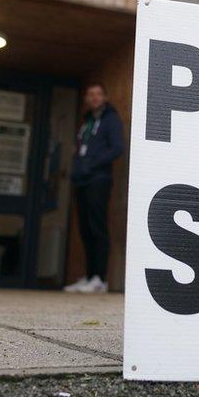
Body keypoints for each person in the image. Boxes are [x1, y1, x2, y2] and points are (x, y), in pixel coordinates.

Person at [65, 82, 124, 293]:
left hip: (98, 179)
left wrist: (92, 164)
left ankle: (100, 278)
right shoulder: (86, 122)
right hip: (81, 181)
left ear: (105, 98)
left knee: (97, 227)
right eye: (90, 94)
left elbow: (117, 148)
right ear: (86, 99)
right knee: (85, 228)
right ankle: (90, 276)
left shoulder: (111, 120)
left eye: (99, 94)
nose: (95, 97)